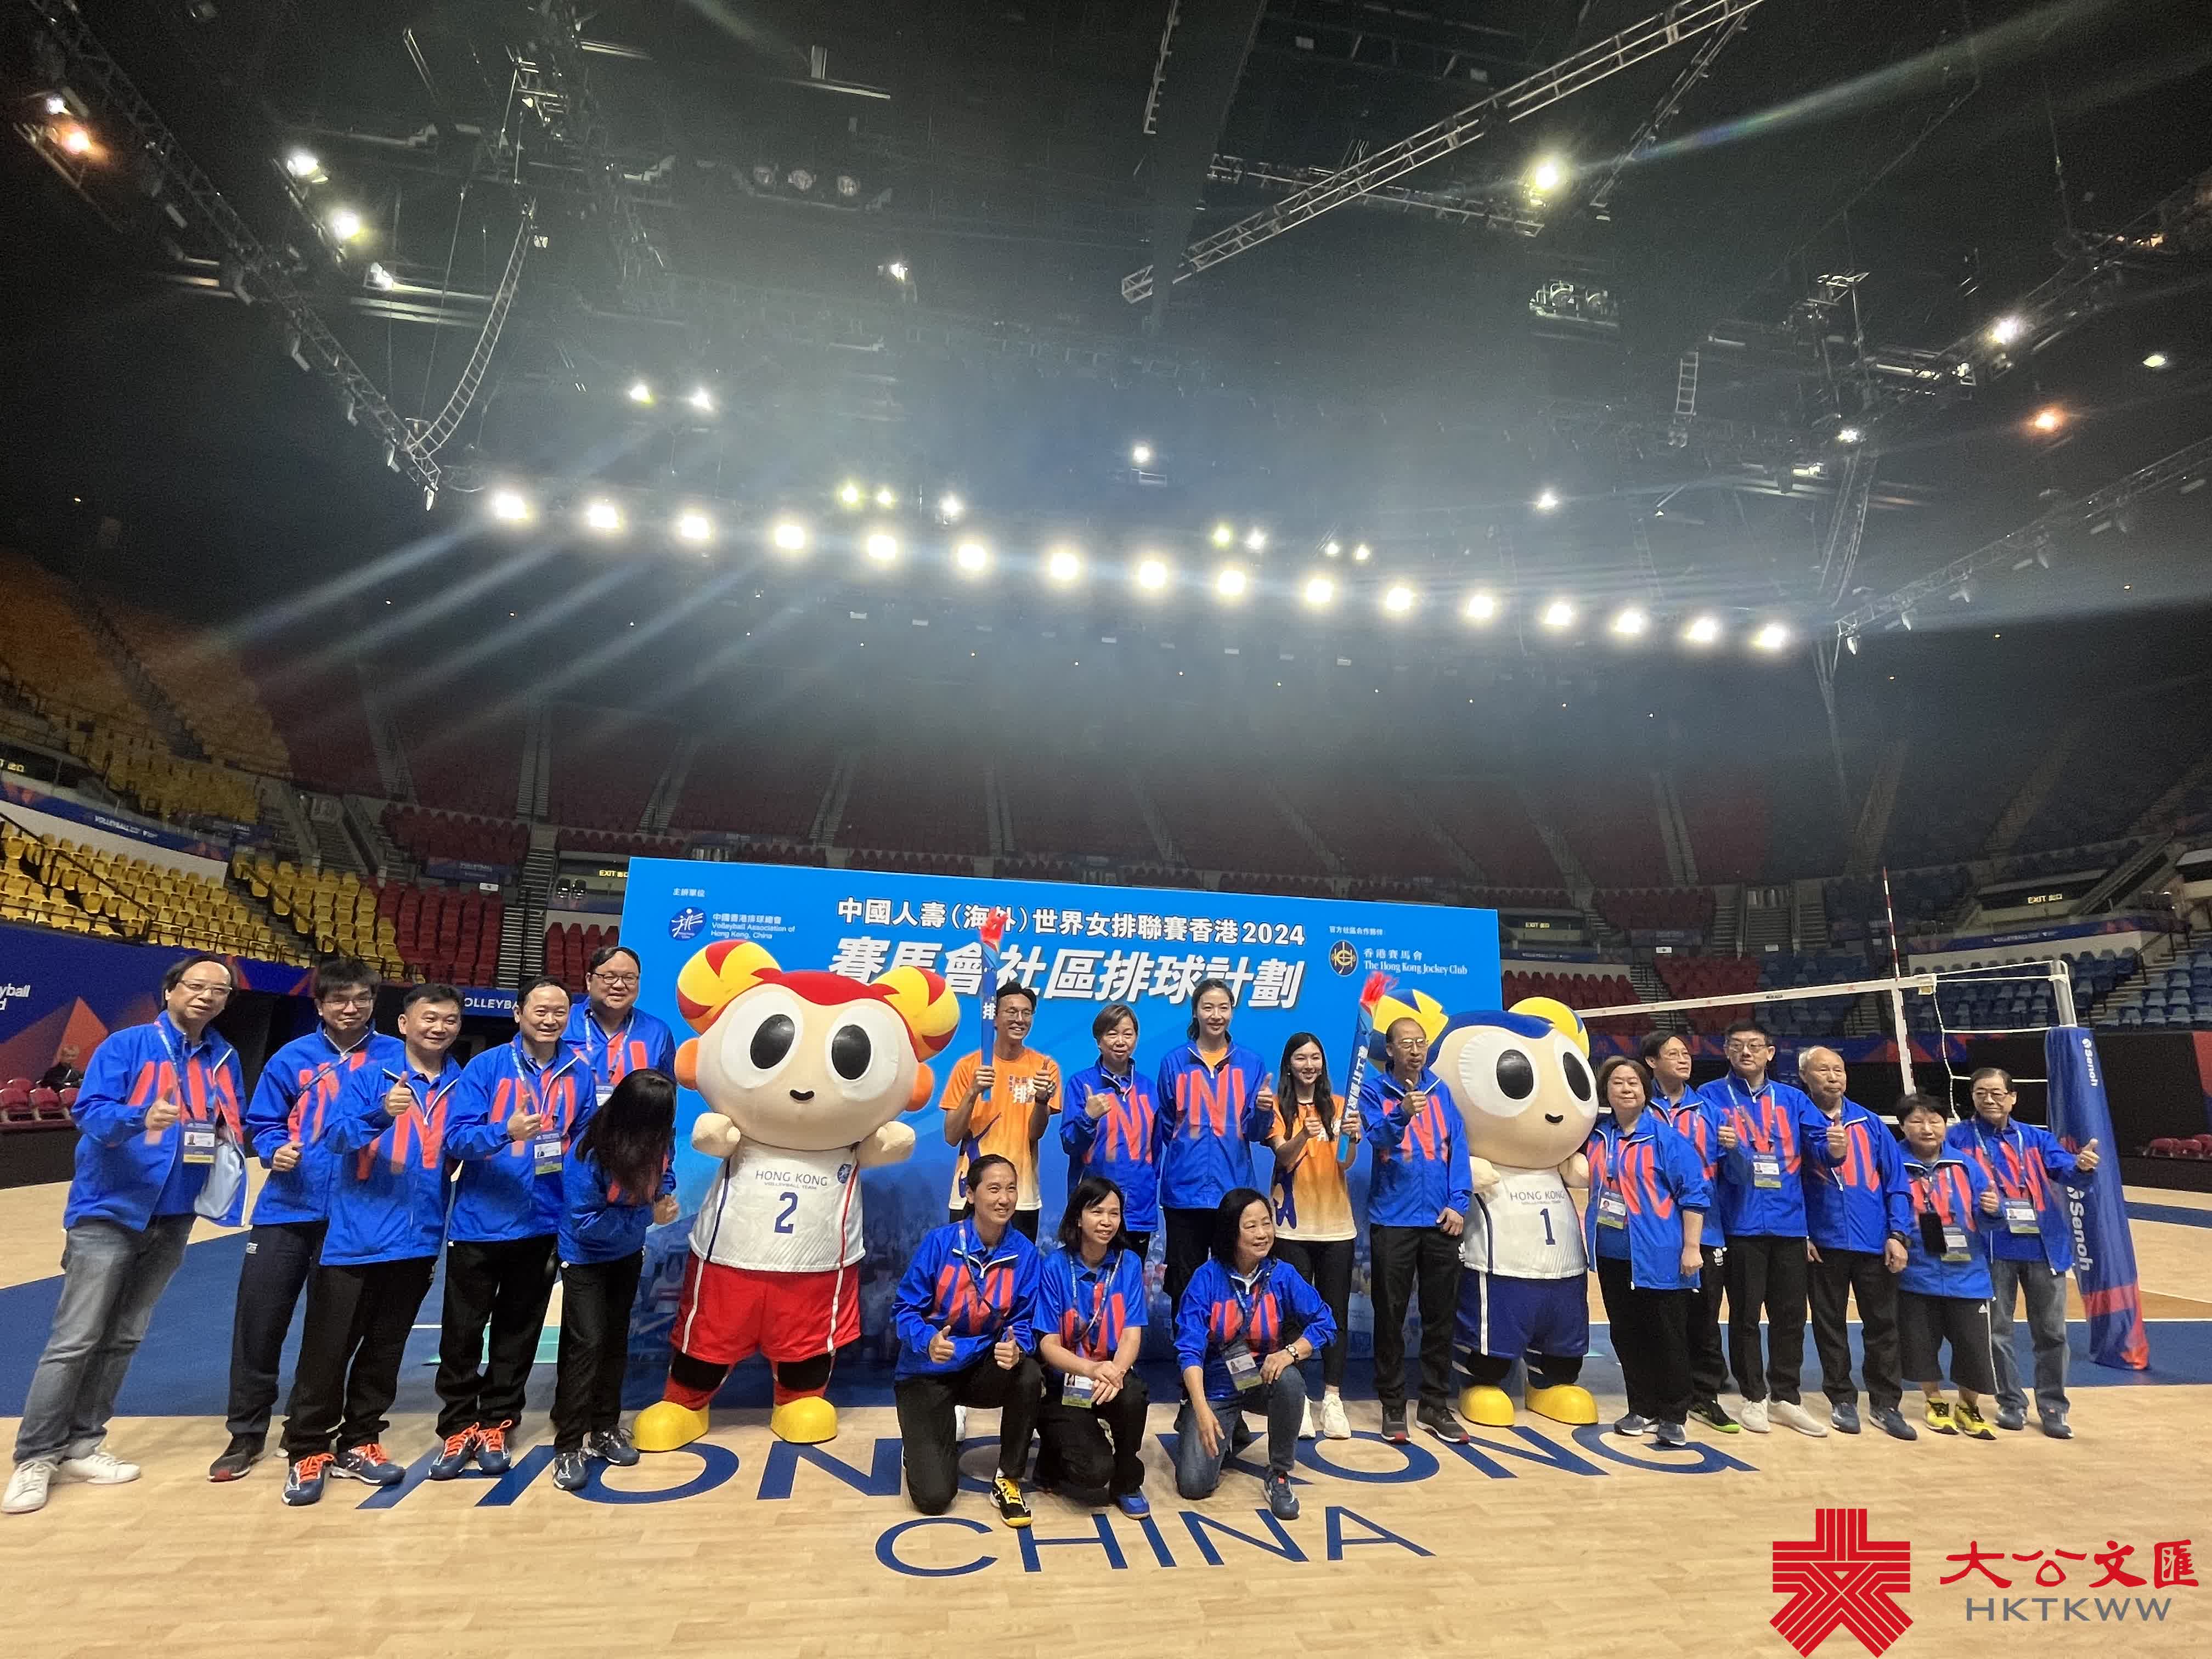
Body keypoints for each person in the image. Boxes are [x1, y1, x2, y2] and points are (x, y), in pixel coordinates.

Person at [7, 955, 245, 1517]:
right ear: (171, 990)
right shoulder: (128, 1045)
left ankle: (83, 1445)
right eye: (197, 985)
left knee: (124, 1337)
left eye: (219, 990)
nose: (207, 996)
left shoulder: (224, 1058)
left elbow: (224, 1125)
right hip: (110, 1211)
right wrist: (142, 1117)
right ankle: (36, 1456)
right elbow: (91, 1115)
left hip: (175, 1214)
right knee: (75, 1340)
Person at [212, 956, 402, 1482]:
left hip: (357, 1214)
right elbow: (263, 1122)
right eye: (339, 998)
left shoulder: (395, 1056)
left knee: (331, 1331)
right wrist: (274, 1149)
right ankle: (245, 1432)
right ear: (319, 1005)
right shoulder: (292, 1057)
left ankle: (306, 1425)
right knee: (259, 1323)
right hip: (287, 1208)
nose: (351, 1007)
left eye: (362, 998)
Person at [279, 983, 466, 1505]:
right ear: (404, 1024)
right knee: (328, 1349)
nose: (439, 1028)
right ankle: (307, 1448)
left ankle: (360, 1440)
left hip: (419, 1239)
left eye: (450, 1020)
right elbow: (334, 1136)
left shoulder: (461, 1084)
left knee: (386, 1349)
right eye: (429, 1018)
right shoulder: (369, 1076)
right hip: (356, 1237)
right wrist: (382, 1111)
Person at [430, 978, 595, 1479]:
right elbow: (456, 1139)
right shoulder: (486, 1067)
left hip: (543, 1224)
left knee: (518, 1333)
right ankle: (457, 1424)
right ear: (518, 1013)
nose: (550, 1019)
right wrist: (506, 1131)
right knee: (462, 1333)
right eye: (540, 1010)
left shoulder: (579, 1072)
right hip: (480, 1224)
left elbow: (585, 1142)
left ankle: (498, 1420)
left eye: (560, 1011)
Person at [1946, 1066, 2100, 1438]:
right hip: (1990, 1248)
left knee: (2052, 1334)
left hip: (2044, 1248)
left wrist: (2081, 1167)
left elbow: (2067, 1171)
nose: (1989, 1100)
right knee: (1996, 1333)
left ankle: (2053, 1407)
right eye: (1981, 1093)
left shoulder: (2036, 1138)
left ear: (2013, 1098)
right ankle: (2011, 1403)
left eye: (1998, 1093)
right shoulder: (1958, 1139)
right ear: (1972, 1097)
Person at [891, 1154, 1042, 1527]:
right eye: (994, 1189)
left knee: (1028, 1374)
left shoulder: (1025, 1253)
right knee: (934, 1498)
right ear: (971, 1195)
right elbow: (904, 1310)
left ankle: (1008, 1478)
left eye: (1011, 1189)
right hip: (929, 1369)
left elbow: (1024, 1321)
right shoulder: (940, 1243)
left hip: (981, 1367)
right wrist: (928, 1340)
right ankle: (920, 1447)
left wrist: (1017, 1346)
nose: (1004, 1199)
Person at [551, 1068, 681, 1492]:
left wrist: (663, 1193)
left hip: (626, 1255)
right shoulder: (589, 1152)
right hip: (585, 1259)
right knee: (586, 1345)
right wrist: (648, 1215)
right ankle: (568, 1445)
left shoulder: (659, 1139)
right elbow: (586, 1223)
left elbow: (666, 1171)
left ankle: (605, 1428)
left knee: (614, 1342)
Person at [1173, 1188, 1335, 1520]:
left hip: (1262, 1378)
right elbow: (1189, 1350)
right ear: (1231, 1232)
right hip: (1217, 1386)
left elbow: (1326, 1322)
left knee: (1291, 1381)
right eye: (1251, 1226)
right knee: (1194, 1485)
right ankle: (1219, 1422)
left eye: (1266, 1223)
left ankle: (1279, 1474)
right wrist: (1201, 1409)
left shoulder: (1282, 1275)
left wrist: (1290, 1353)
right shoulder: (1206, 1278)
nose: (1262, 1234)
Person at [1701, 1019, 1828, 1437]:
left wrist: (1836, 1150)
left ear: (1770, 1053)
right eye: (1737, 1045)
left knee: (1790, 1316)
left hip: (1789, 1224)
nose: (1746, 1052)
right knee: (1745, 1316)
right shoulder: (1710, 1096)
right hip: (1739, 1225)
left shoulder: (1793, 1099)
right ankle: (1754, 1397)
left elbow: (1822, 1148)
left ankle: (1785, 1398)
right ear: (1726, 1051)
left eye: (1755, 1045)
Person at [1583, 1057, 1708, 1448]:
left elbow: (1694, 1196)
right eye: (1617, 1083)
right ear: (1606, 1092)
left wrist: (1692, 1248)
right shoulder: (1598, 1137)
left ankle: (1674, 1414)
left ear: (1645, 1090)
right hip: (1613, 1254)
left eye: (1633, 1083)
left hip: (1660, 1254)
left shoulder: (1666, 1140)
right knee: (1627, 1334)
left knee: (1667, 1336)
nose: (1626, 1089)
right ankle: (1642, 1407)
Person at [1361, 1015, 1472, 1444]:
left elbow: (1458, 1147)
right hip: (1393, 1220)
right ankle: (1393, 1403)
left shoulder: (1442, 1091)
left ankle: (1434, 1404)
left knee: (1440, 1316)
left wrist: (1458, 1203)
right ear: (1389, 1050)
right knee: (1389, 1316)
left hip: (1441, 1220)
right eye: (1406, 1043)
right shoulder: (1374, 1091)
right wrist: (1403, 1112)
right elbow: (1377, 1137)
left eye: (1421, 1042)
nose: (1415, 1050)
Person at [1798, 1046, 1916, 1442]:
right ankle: (1841, 1399)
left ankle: (1886, 1404)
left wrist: (1897, 1235)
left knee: (1883, 1325)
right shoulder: (1797, 1122)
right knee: (1829, 1324)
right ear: (1805, 1077)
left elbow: (1896, 1184)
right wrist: (1803, 1233)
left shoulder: (1870, 1123)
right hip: (1823, 1243)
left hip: (1873, 1241)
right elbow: (1787, 1184)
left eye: (1839, 1069)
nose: (1834, 1076)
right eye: (1824, 1070)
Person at [1156, 979, 1276, 1317]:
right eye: (1208, 1007)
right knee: (1184, 1283)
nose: (1216, 1015)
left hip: (1233, 1192)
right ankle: (1187, 1349)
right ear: (1195, 1011)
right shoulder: (1174, 1063)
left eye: (1224, 1008)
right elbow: (1166, 1126)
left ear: (1232, 1012)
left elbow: (1255, 1132)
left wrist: (1263, 1112)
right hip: (1184, 1195)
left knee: (1233, 1282)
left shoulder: (1251, 1063)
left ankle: (1231, 1348)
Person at [1032, 1176, 1150, 1516]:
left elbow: (1131, 1335)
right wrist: (1091, 1368)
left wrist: (1116, 1373)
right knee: (1094, 1473)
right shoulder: (1055, 1266)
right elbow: (1048, 1345)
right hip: (1067, 1382)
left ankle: (1127, 1481)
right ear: (1078, 1218)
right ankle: (1054, 1450)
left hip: (1110, 1379)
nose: (1106, 1221)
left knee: (1133, 1394)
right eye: (1097, 1212)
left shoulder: (1129, 1263)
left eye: (1114, 1213)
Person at [1266, 1030, 1359, 1441]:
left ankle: (1333, 1398)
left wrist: (1352, 1137)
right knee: (1295, 1314)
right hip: (1291, 1228)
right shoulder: (1278, 1107)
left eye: (1315, 1058)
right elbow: (1283, 1157)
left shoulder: (1339, 1106)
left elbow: (1346, 1162)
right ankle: (1298, 1398)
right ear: (1289, 1064)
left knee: (1335, 1313)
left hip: (1337, 1226)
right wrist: (1304, 1133)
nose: (1309, 1065)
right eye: (1301, 1058)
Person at [1643, 1029, 1735, 1433]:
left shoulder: (1710, 1111)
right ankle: (1655, 1396)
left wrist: (1734, 1150)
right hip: (1654, 1233)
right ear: (1652, 1062)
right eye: (1673, 1054)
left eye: (1686, 1053)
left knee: (1704, 1320)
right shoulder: (1639, 1109)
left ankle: (1705, 1395)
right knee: (1659, 1319)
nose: (1684, 1059)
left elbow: (1735, 1176)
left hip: (1706, 1233)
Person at [1896, 1092, 2002, 1440]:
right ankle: (1934, 1401)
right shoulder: (1892, 1163)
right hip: (1915, 1274)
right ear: (1903, 1126)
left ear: (1945, 1125)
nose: (1927, 1129)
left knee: (1973, 1348)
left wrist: (1994, 1210)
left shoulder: (1967, 1166)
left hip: (1967, 1275)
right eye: (1917, 1121)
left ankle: (1968, 1406)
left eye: (1934, 1121)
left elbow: (1989, 1218)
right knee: (1921, 1345)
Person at [941, 981, 1060, 1238]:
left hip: (1021, 1194)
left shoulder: (1044, 1068)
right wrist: (973, 1092)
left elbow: (1035, 1134)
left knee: (1017, 1263)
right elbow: (951, 1136)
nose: (1020, 1019)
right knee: (965, 1262)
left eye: (1027, 1013)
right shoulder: (968, 1066)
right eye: (1012, 1012)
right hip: (970, 1193)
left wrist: (1042, 1100)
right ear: (994, 1018)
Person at [1059, 1003, 1163, 1261]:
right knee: (1089, 1277)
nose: (1120, 1041)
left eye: (1128, 1034)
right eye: (1112, 1033)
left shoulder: (1148, 1088)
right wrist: (1088, 1117)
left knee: (1130, 1278)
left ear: (1136, 1039)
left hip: (1138, 1210)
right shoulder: (1081, 1084)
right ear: (1099, 1040)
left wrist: (1146, 1182)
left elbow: (1156, 1150)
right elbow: (1070, 1144)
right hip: (1093, 1207)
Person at [565, 945, 676, 1109]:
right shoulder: (563, 1022)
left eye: (629, 978)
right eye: (609, 977)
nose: (619, 985)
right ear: (589, 980)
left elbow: (665, 1095)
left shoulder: (657, 1032)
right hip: (569, 1125)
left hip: (633, 1125)